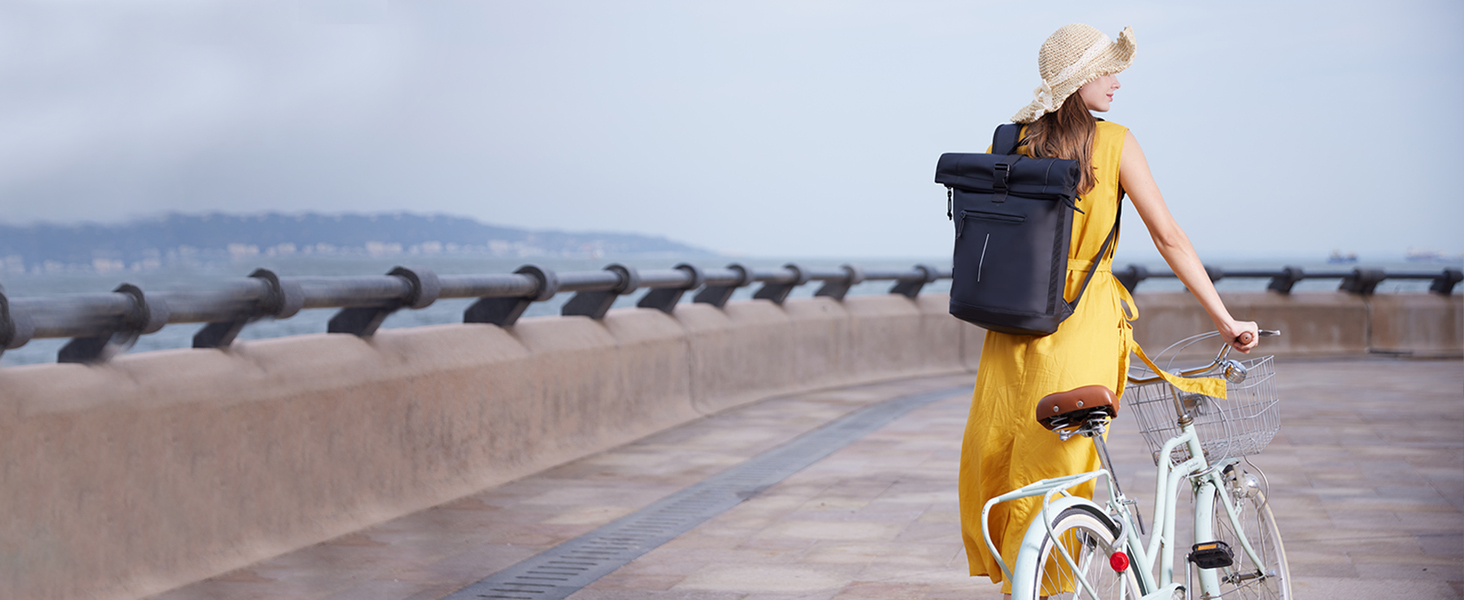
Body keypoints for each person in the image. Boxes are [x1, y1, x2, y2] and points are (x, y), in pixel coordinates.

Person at [956, 23, 1261, 595]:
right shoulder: (1114, 141)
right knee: (1064, 466)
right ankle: (1055, 582)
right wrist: (1225, 319)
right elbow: (1168, 237)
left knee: (1005, 449)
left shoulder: (1013, 139)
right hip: (1080, 320)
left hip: (1013, 322)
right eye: (1107, 71)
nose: (1118, 82)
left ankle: (1021, 578)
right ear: (1079, 80)